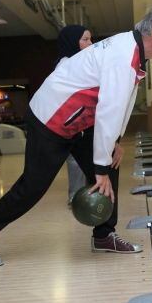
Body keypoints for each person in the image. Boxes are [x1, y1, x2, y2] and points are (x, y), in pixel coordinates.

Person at [0, 7, 152, 267]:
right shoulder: (123, 56)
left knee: (110, 162)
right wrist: (99, 168)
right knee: (32, 187)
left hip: (78, 120)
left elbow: (120, 103)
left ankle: (103, 235)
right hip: (52, 119)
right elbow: (110, 109)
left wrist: (113, 143)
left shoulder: (131, 50)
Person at [54, 24, 91, 205]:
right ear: (72, 42)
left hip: (81, 118)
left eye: (90, 39)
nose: (90, 43)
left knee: (84, 158)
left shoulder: (80, 63)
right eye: (85, 40)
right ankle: (75, 196)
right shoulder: (65, 66)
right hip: (70, 121)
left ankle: (83, 194)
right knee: (76, 158)